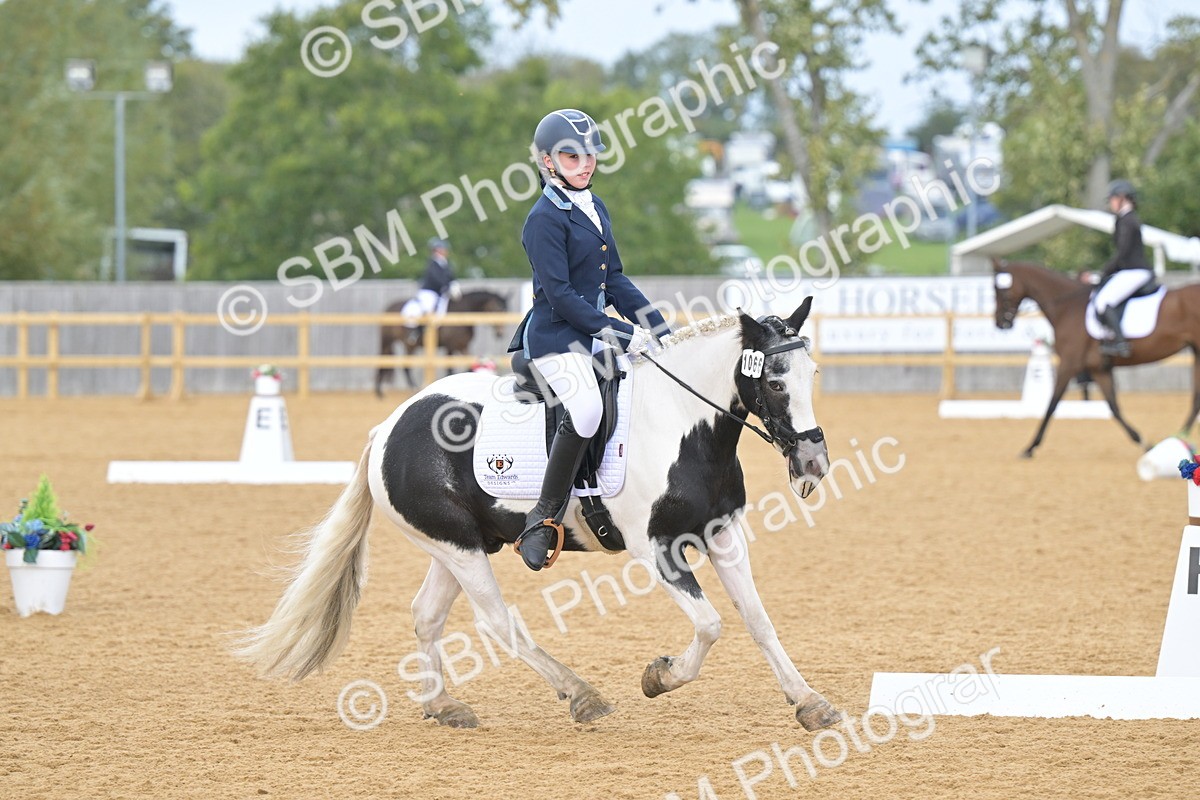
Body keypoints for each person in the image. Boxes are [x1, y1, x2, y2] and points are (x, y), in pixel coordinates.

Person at [509, 108, 669, 571]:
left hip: (594, 335)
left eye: (589, 154)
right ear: (547, 162)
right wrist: (623, 332)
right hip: (557, 339)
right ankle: (544, 517)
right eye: (571, 155)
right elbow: (559, 297)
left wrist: (659, 329)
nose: (584, 163)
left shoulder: (596, 208)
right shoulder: (542, 219)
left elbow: (614, 279)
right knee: (588, 409)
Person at [1092, 179, 1152, 357]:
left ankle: (1121, 343)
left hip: (1135, 271)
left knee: (1103, 302)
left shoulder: (1127, 220)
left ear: (1122, 198)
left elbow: (1122, 253)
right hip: (1130, 270)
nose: (1110, 203)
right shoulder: (1125, 219)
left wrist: (1103, 273)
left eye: (1112, 199)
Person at [401, 238, 461, 331]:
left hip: (441, 293)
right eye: (443, 249)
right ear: (437, 250)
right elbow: (436, 278)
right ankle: (416, 332)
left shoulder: (447, 264)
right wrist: (447, 286)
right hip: (429, 292)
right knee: (427, 307)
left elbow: (451, 277)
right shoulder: (432, 264)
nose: (445, 251)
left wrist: (454, 284)